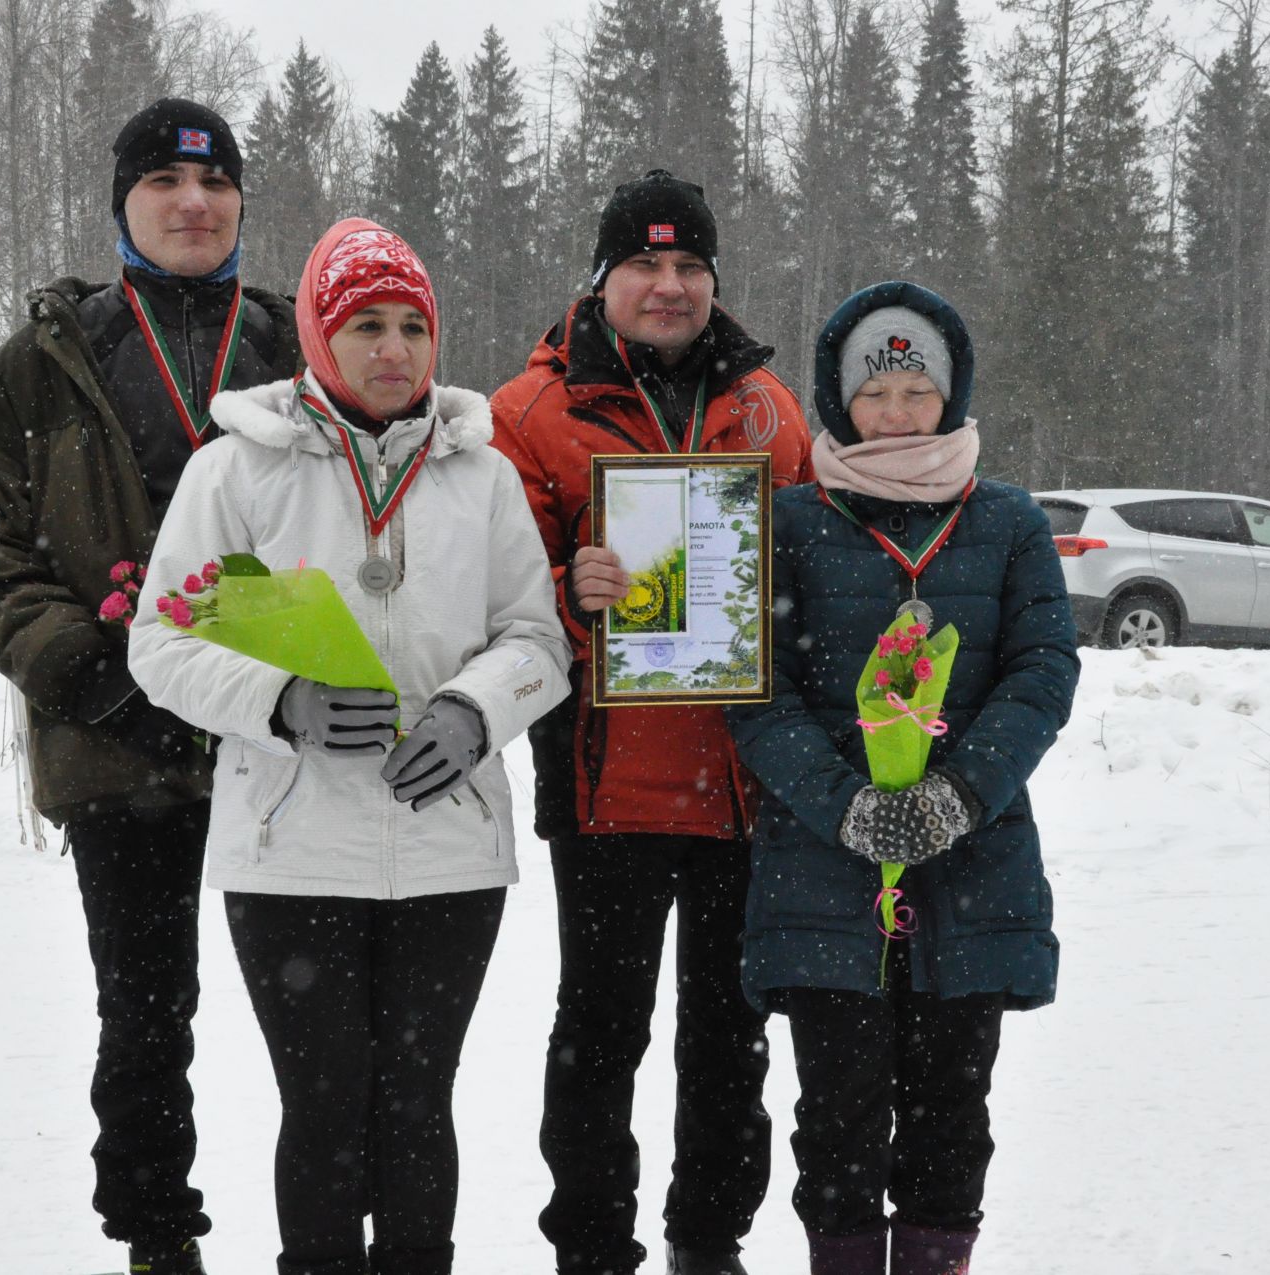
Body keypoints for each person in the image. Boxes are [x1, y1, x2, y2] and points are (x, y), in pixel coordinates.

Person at [125, 217, 570, 1275]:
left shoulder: (484, 475)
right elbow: (161, 638)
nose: (392, 350)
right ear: (320, 338)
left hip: (447, 848)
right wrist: (283, 701)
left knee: (418, 1105)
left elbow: (538, 640)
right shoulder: (236, 470)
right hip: (291, 847)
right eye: (365, 325)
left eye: (412, 326)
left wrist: (475, 710)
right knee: (323, 1109)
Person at [0, 98, 297, 1275]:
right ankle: (156, 1237)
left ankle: (336, 1237)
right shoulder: (40, 364)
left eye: (217, 185)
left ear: (240, 202)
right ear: (122, 205)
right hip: (118, 747)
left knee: (323, 1020)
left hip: (287, 742)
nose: (194, 205)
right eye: (165, 187)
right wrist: (89, 668)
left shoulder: (300, 346)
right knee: (147, 1019)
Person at [490, 169, 815, 1275]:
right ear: (604, 277)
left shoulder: (771, 408)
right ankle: (591, 1244)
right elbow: (487, 594)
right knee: (601, 1030)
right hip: (608, 783)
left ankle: (709, 1239)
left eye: (689, 266)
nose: (669, 286)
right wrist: (559, 588)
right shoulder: (529, 412)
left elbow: (814, 571)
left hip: (743, 781)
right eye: (645, 264)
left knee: (730, 1034)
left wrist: (786, 608)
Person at [724, 281, 1079, 1275]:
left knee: (949, 1123)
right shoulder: (789, 521)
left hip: (974, 869)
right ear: (840, 402)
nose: (896, 411)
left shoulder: (1007, 521)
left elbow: (1043, 670)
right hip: (823, 874)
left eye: (916, 390)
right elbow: (756, 691)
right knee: (836, 1128)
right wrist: (850, 809)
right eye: (875, 394)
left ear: (951, 394)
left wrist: (958, 794)